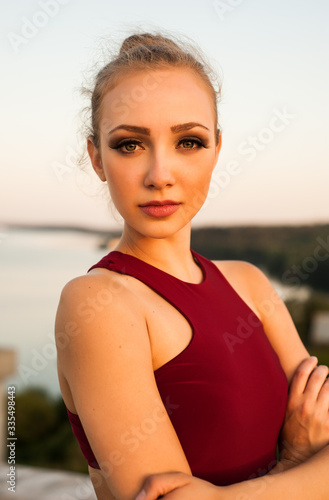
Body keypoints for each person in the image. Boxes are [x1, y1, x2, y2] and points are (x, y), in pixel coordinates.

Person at [55, 32, 329, 500]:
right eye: (128, 145)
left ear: (217, 150)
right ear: (96, 157)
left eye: (188, 141)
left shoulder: (248, 282)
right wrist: (299, 463)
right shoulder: (99, 304)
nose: (160, 174)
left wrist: (227, 495)